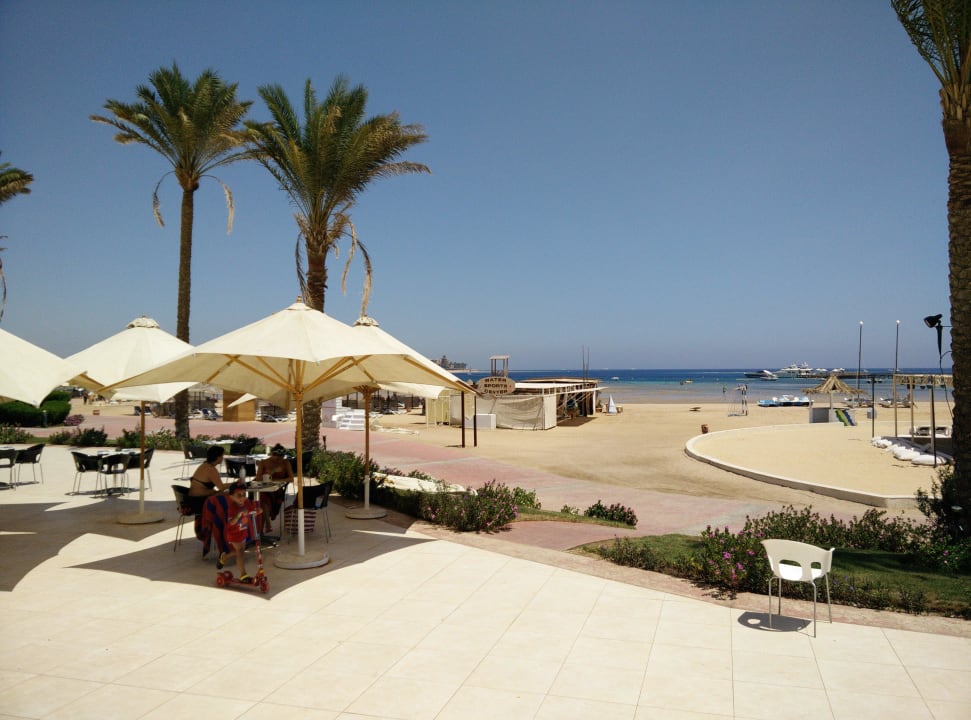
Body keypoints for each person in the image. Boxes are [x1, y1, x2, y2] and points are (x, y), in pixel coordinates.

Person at [220, 481, 262, 582]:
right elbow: (231, 522)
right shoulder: (232, 508)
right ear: (231, 497)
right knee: (240, 552)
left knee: (240, 551)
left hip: (243, 531)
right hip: (234, 533)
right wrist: (238, 515)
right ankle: (243, 575)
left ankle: (224, 557)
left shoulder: (246, 502)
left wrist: (258, 511)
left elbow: (252, 512)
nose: (242, 497)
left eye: (244, 494)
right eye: (238, 495)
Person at [254, 443, 294, 534]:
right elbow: (258, 478)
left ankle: (262, 530)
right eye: (277, 459)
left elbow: (291, 479)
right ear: (272, 455)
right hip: (263, 489)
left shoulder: (285, 463)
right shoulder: (263, 462)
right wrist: (271, 472)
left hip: (277, 490)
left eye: (281, 458)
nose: (278, 461)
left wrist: (278, 480)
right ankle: (266, 526)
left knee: (263, 499)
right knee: (262, 498)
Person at [188, 445, 228, 514]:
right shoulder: (211, 469)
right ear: (217, 457)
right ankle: (223, 522)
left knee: (227, 495)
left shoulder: (205, 465)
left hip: (193, 499)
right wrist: (236, 483)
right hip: (199, 501)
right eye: (222, 456)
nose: (222, 458)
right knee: (232, 497)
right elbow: (221, 487)